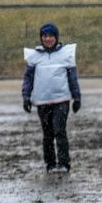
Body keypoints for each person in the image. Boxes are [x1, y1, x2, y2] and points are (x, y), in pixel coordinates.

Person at [22, 22, 81, 173]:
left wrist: (77, 97)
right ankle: (50, 164)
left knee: (60, 131)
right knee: (47, 134)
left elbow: (72, 78)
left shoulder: (66, 54)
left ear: (56, 37)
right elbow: (28, 79)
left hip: (61, 100)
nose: (48, 39)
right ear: (41, 38)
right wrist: (26, 96)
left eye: (51, 36)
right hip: (42, 102)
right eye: (45, 36)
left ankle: (64, 163)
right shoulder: (34, 56)